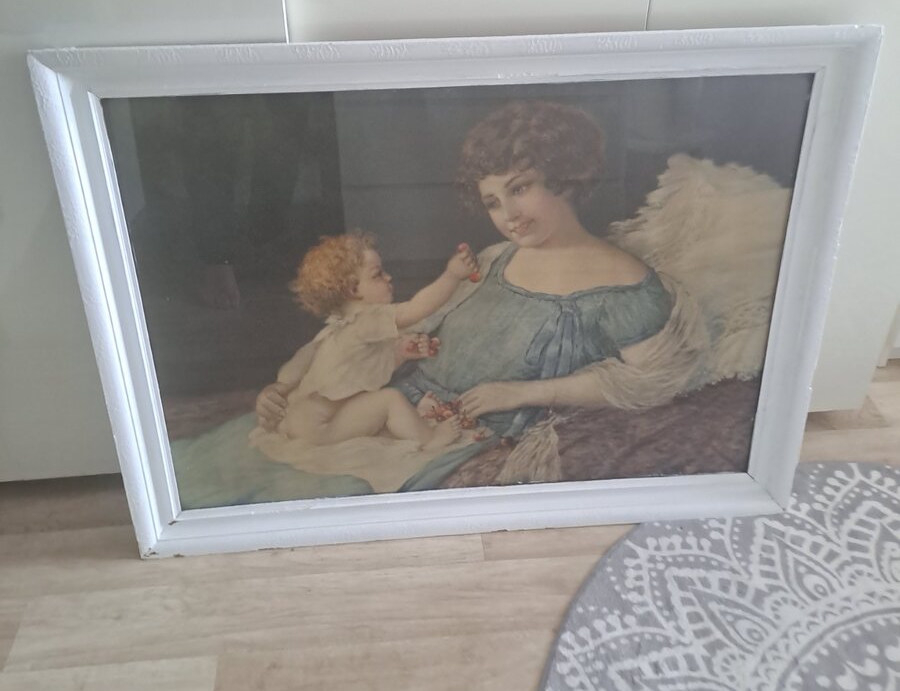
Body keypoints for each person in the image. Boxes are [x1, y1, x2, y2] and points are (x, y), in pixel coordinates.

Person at [255, 100, 708, 493]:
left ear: (564, 177)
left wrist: (519, 393)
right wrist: (287, 387)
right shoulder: (494, 259)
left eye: (519, 189)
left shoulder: (625, 284)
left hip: (460, 432)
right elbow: (388, 331)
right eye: (492, 202)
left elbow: (647, 381)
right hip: (399, 408)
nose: (508, 215)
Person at [252, 233, 480, 453]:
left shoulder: (332, 331)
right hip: (320, 428)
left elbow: (308, 368)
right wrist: (452, 275)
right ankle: (431, 439)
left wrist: (400, 353)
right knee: (390, 400)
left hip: (296, 421)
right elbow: (415, 309)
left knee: (375, 409)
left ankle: (413, 423)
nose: (388, 278)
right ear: (353, 290)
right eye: (378, 274)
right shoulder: (365, 319)